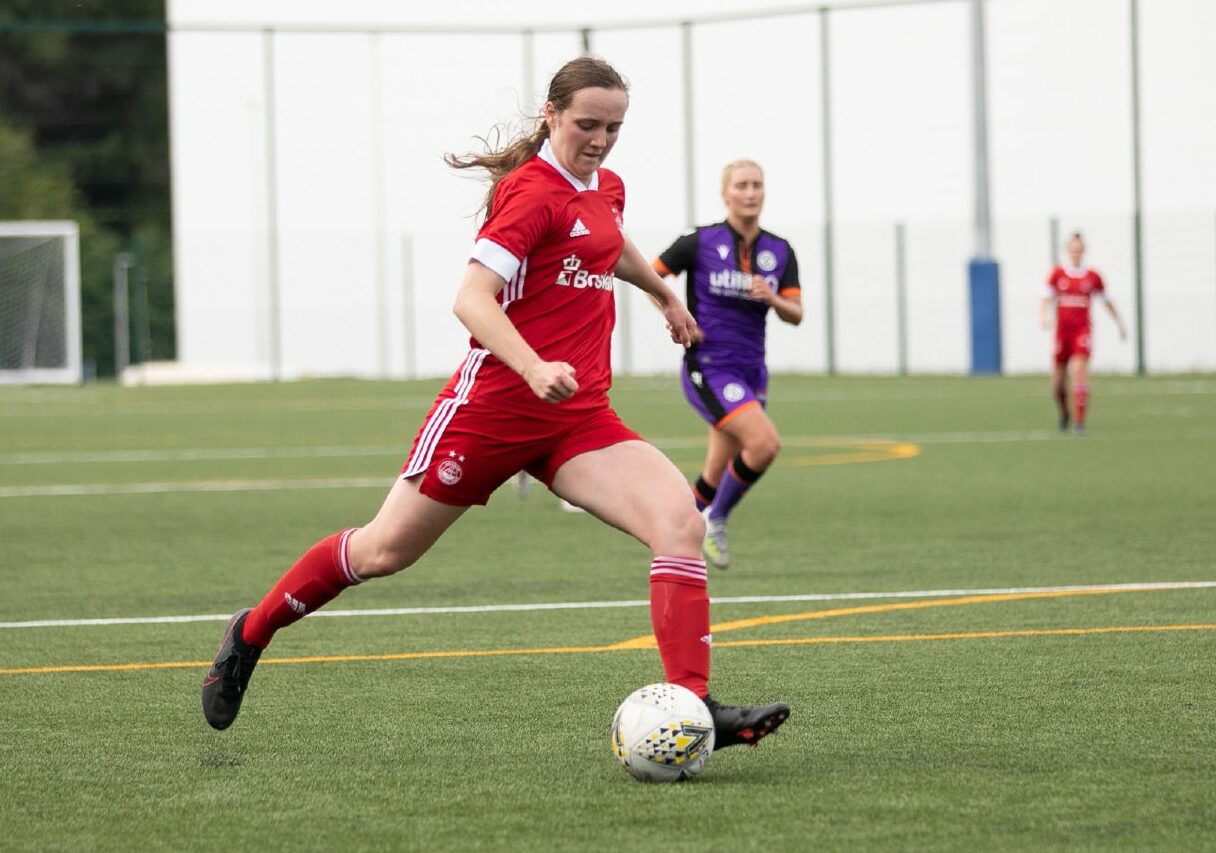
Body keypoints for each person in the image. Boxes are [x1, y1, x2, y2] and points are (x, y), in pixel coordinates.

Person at [201, 57, 790, 753]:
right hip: (492, 411)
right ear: (551, 115)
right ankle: (251, 633)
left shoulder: (606, 187)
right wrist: (533, 363)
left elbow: (607, 239)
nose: (600, 139)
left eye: (614, 126)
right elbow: (470, 297)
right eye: (586, 125)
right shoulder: (529, 193)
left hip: (578, 417)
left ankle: (694, 707)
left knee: (679, 524)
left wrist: (660, 292)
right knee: (384, 550)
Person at [652, 160, 802, 570]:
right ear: (726, 194)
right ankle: (715, 519)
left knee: (714, 474)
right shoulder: (700, 241)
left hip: (753, 371)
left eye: (757, 185)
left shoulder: (780, 250)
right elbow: (652, 274)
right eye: (742, 185)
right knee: (765, 445)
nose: (750, 192)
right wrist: (674, 313)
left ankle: (670, 536)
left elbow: (797, 313)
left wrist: (772, 299)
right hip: (710, 366)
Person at [1040, 231, 1127, 434]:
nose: (1076, 253)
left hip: (1082, 331)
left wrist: (1120, 324)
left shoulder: (1093, 276)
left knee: (1079, 370)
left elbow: (1107, 301)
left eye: (1079, 249)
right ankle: (1064, 413)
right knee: (1057, 383)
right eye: (1073, 249)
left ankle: (1080, 421)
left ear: (1084, 250)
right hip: (1062, 334)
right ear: (1067, 250)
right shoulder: (1058, 274)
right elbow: (1045, 297)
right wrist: (1043, 316)